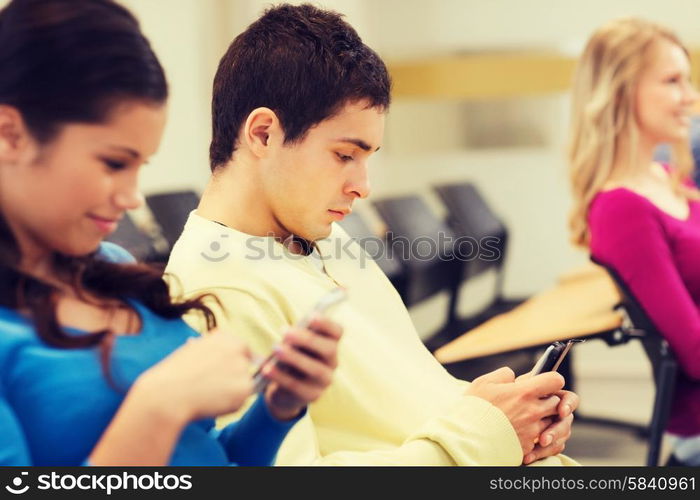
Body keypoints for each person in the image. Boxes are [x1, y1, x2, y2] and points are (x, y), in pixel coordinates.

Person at [166, 3, 579, 466]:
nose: (363, 186)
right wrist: (484, 437)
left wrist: (502, 415)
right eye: (345, 155)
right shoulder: (214, 289)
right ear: (263, 135)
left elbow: (404, 394)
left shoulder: (321, 235)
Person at [0, 0, 340, 466]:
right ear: (10, 136)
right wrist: (159, 406)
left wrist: (275, 409)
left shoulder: (115, 270)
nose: (131, 196)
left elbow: (204, 459)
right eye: (114, 164)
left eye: (139, 167)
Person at [568, 18, 700, 466]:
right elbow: (695, 352)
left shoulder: (666, 180)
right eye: (672, 81)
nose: (690, 96)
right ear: (621, 92)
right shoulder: (622, 208)